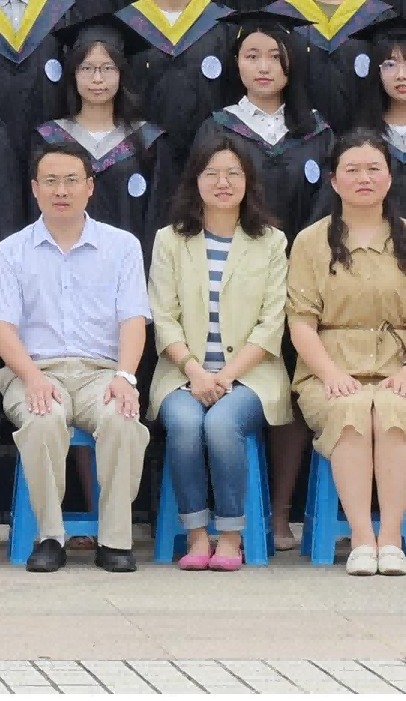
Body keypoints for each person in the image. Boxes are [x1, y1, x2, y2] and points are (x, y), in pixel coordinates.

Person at [0, 137, 149, 571]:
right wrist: (33, 379)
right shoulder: (10, 252)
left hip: (102, 372)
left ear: (90, 187)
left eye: (72, 180)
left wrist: (126, 377)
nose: (61, 190)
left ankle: (115, 541)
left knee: (123, 419)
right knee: (43, 419)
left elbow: (133, 320)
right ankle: (49, 538)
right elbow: (2, 332)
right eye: (51, 181)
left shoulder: (122, 246)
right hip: (34, 370)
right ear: (34, 188)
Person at [287, 130, 406, 576]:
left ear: (389, 178)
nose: (363, 178)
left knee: (393, 410)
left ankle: (390, 539)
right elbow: (300, 322)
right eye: (352, 170)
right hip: (330, 369)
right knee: (351, 409)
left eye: (374, 169)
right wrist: (330, 373)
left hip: (402, 368)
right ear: (334, 181)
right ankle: (361, 538)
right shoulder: (311, 242)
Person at [139, 132, 284, 571]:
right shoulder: (170, 240)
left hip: (251, 376)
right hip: (183, 373)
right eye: (212, 173)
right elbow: (163, 316)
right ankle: (196, 534)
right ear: (195, 181)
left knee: (221, 423)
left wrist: (225, 376)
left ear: (248, 181)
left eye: (233, 174)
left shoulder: (271, 241)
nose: (223, 183)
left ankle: (231, 537)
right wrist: (195, 372)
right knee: (185, 423)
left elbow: (272, 322)